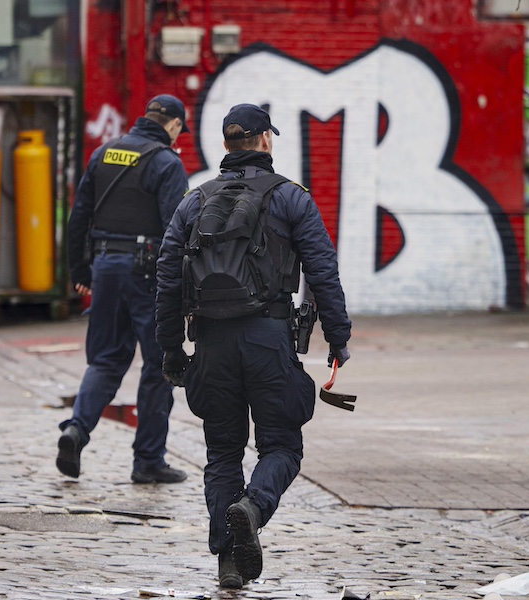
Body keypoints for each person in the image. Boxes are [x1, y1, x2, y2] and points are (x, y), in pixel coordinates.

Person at [154, 103, 352, 588]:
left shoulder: (193, 200)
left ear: (226, 145)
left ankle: (228, 562)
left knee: (222, 452)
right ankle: (253, 506)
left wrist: (171, 349)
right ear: (265, 140)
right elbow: (322, 270)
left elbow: (166, 278)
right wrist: (339, 337)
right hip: (269, 338)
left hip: (212, 342)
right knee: (281, 444)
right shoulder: (291, 198)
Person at [56, 94, 191, 484]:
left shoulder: (104, 153)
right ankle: (148, 460)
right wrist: (179, 288)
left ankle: (76, 430)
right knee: (159, 365)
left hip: (105, 268)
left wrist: (80, 269)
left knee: (106, 359)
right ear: (173, 125)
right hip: (146, 272)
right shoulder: (166, 163)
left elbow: (78, 214)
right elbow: (173, 231)